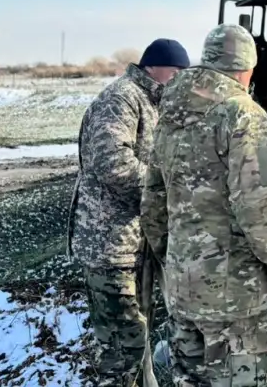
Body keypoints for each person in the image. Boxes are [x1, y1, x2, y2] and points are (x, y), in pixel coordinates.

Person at [140, 23, 267, 387]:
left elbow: (153, 199)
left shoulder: (171, 114)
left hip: (183, 290)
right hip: (234, 297)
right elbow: (257, 205)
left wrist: (172, 255)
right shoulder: (244, 114)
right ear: (247, 69)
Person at [67, 38, 190, 387]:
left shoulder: (153, 101)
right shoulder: (121, 98)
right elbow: (113, 163)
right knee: (124, 347)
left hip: (134, 242)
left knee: (134, 339)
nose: (180, 79)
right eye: (177, 71)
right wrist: (162, 192)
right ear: (154, 67)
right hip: (109, 245)